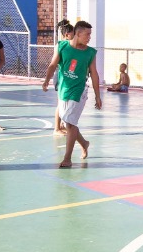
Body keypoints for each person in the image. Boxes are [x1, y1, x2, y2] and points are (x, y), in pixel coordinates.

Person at [42, 20, 101, 168]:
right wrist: (46, 80)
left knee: (70, 123)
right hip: (64, 89)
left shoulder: (90, 52)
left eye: (90, 35)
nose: (89, 38)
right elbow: (53, 64)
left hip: (79, 91)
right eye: (87, 34)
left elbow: (94, 74)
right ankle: (84, 143)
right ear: (78, 33)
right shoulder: (62, 46)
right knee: (68, 121)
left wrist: (98, 96)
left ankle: (67, 158)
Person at [53, 19, 74, 134]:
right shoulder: (62, 46)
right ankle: (56, 128)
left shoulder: (69, 46)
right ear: (67, 34)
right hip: (60, 77)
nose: (75, 36)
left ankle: (61, 124)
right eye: (73, 33)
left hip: (65, 77)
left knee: (65, 103)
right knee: (60, 104)